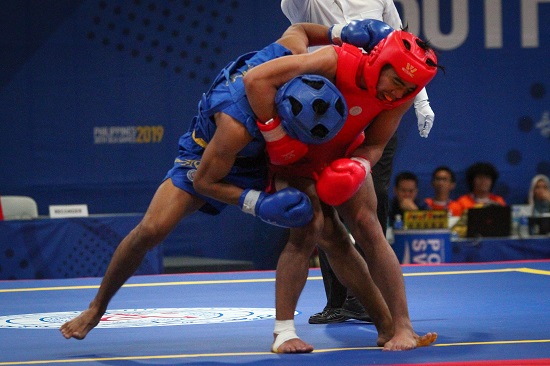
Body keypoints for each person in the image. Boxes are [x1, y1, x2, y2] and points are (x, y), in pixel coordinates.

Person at [59, 20, 429, 354]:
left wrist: (336, 34)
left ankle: (389, 326)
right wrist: (256, 201)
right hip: (214, 157)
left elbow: (298, 30)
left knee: (327, 229)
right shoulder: (236, 123)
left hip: (280, 151)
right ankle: (96, 308)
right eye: (395, 81)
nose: (397, 91)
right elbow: (206, 180)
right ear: (281, 110)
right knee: (153, 228)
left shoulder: (293, 60)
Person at [244, 19, 441, 352]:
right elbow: (256, 79)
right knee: (310, 228)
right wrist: (277, 139)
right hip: (291, 155)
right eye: (395, 81)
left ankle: (399, 328)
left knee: (369, 227)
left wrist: (359, 165)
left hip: (341, 153)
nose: (397, 93)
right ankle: (283, 333)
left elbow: (376, 143)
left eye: (407, 90)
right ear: (381, 62)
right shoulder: (335, 61)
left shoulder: (400, 95)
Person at [280, 0, 437, 326]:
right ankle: (338, 300)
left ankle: (372, 301)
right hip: (324, 113)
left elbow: (406, 44)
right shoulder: (305, 2)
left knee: (370, 207)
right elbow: (297, 27)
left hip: (379, 107)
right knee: (325, 208)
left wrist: (420, 101)